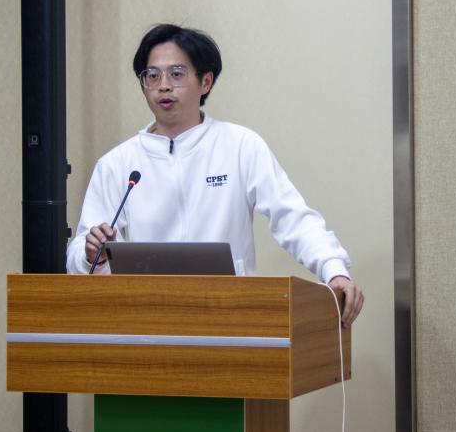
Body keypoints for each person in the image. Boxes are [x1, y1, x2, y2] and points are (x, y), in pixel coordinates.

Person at [65, 23, 363, 327]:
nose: (163, 86)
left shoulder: (240, 145)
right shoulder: (118, 163)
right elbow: (78, 254)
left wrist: (334, 269)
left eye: (176, 74)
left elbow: (292, 217)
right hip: (151, 320)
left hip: (231, 317)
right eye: (152, 76)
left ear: (205, 81)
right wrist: (91, 254)